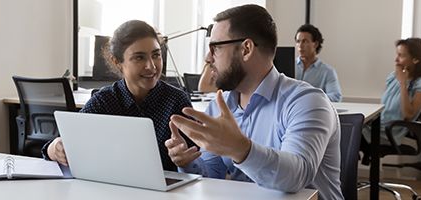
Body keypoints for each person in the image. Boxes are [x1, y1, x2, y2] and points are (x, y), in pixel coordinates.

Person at [164, 5, 343, 200]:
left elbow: (296, 177)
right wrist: (187, 163)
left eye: (215, 47)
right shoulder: (220, 104)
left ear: (246, 49)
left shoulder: (307, 101)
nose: (208, 58)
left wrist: (240, 148)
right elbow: (212, 176)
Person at [42, 20, 196, 171]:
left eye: (156, 55)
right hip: (113, 188)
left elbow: (200, 164)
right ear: (117, 62)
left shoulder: (177, 101)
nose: (152, 66)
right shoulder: (104, 101)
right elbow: (62, 143)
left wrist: (184, 161)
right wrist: (55, 148)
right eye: (139, 57)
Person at [361, 38, 421, 161]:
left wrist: (402, 83)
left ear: (415, 59)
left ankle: (346, 176)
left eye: (401, 56)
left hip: (390, 133)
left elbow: (409, 115)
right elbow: (385, 109)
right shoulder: (392, 77)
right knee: (344, 130)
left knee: (347, 136)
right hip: (376, 128)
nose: (396, 60)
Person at [294, 24, 342, 102]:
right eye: (298, 41)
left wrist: (311, 98)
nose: (300, 45)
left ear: (315, 44)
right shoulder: (288, 65)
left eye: (305, 41)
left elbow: (336, 96)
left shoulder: (327, 71)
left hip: (314, 110)